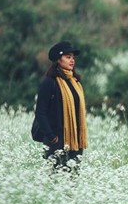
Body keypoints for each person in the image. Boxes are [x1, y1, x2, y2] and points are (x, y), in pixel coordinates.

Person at [32, 41, 88, 172]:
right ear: (58, 59)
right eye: (68, 57)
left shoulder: (75, 82)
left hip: (75, 143)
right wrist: (51, 136)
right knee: (55, 181)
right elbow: (40, 113)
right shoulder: (49, 83)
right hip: (56, 142)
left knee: (72, 182)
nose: (72, 60)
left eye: (73, 57)